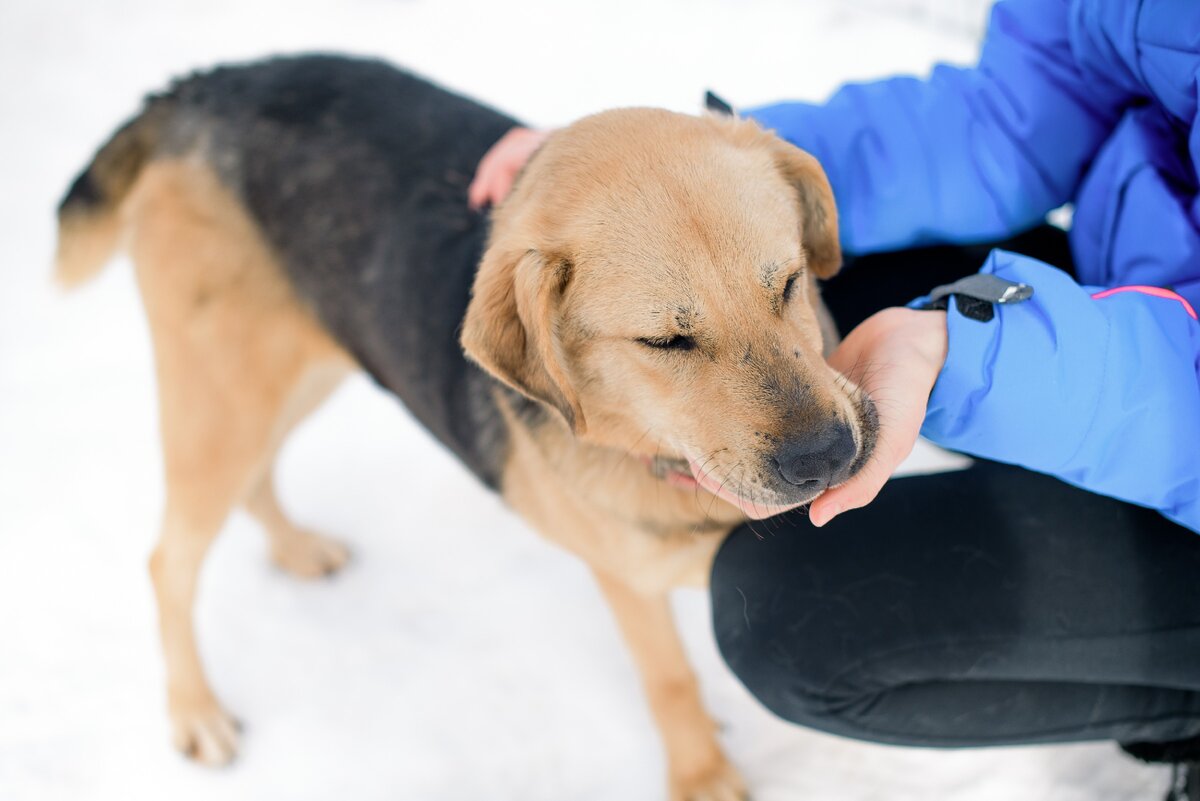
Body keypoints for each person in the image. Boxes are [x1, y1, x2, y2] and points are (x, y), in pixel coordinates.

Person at [470, 1, 1200, 797]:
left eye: (779, 286)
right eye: (673, 339)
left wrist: (973, 354)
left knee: (800, 620)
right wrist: (666, 169)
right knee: (858, 268)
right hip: (1148, 284)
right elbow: (1015, 110)